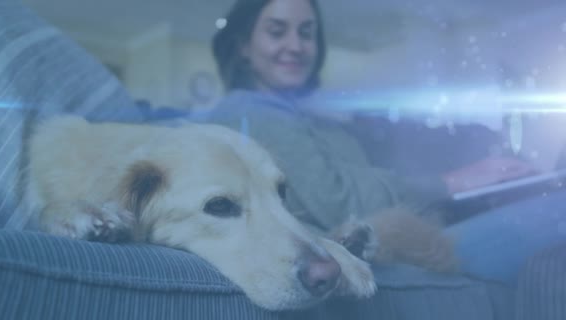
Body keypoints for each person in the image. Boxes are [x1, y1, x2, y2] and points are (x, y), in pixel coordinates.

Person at [191, 0, 566, 284]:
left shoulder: (301, 116)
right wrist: (451, 183)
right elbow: (336, 202)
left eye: (306, 32)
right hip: (402, 245)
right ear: (242, 46)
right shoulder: (251, 110)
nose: (296, 45)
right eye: (277, 31)